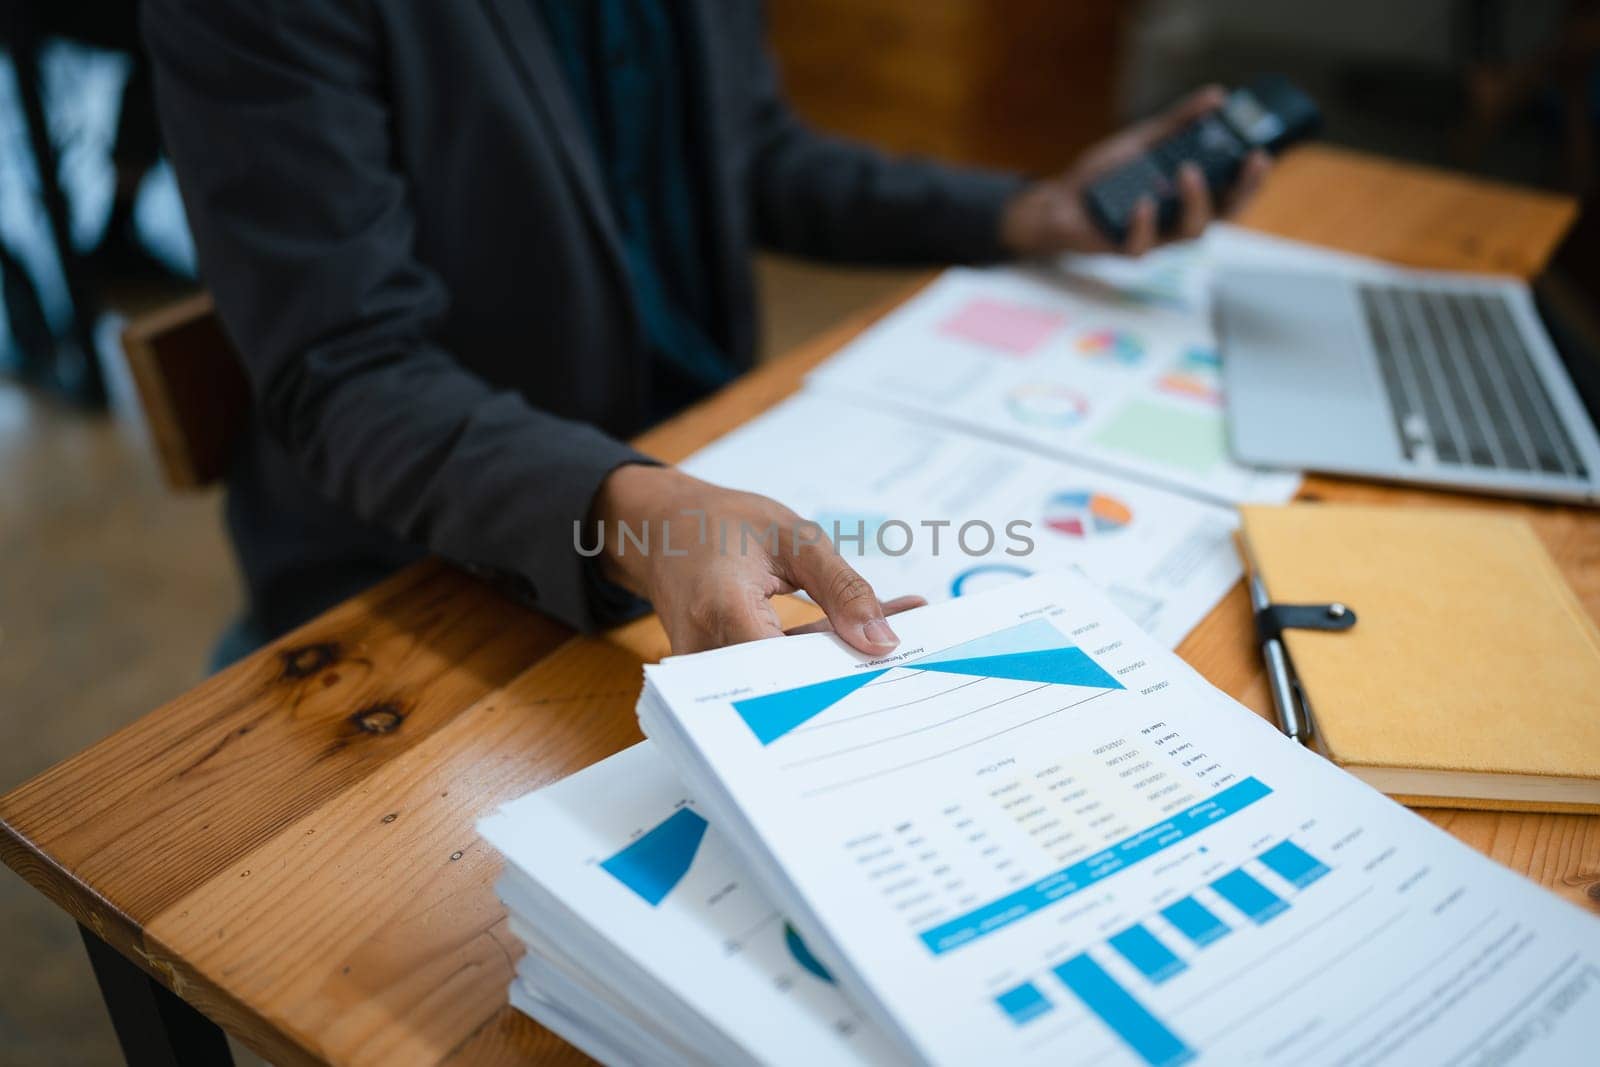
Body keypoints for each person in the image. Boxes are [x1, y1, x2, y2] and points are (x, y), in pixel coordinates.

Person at [141, 1, 1267, 661]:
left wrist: (1025, 214)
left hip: (704, 474)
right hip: (432, 564)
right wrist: (638, 506)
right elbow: (348, 369)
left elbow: (756, 156)